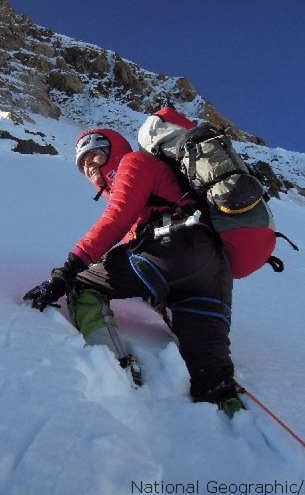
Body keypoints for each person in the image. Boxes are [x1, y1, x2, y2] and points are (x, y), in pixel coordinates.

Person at [23, 118, 244, 415]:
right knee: (212, 376)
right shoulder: (162, 183)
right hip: (213, 268)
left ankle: (114, 364)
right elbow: (129, 240)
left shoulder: (134, 162)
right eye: (83, 163)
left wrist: (67, 271)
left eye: (96, 154)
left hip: (174, 247)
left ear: (114, 150)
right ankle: (231, 411)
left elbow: (115, 220)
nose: (89, 165)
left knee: (83, 284)